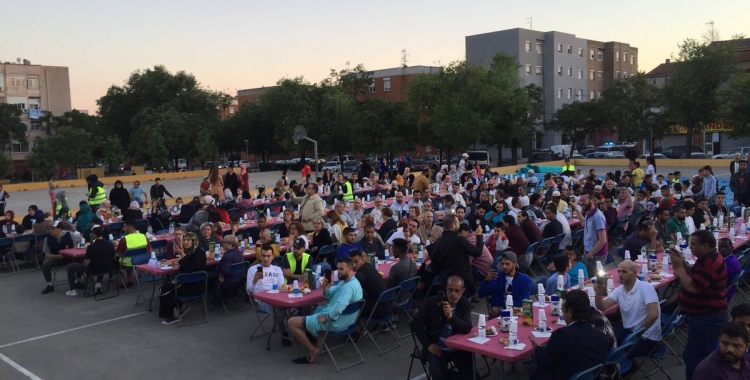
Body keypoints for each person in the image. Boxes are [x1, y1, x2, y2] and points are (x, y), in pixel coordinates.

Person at [671, 230, 729, 380]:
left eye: (694, 244)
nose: (691, 247)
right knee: (696, 355)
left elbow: (692, 286)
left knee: (696, 358)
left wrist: (678, 267)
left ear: (705, 245)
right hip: (703, 316)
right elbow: (693, 273)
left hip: (708, 317)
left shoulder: (711, 263)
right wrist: (682, 261)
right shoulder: (705, 258)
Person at [288, 258, 363, 364]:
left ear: (350, 269)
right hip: (349, 321)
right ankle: (320, 347)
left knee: (291, 322)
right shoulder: (348, 282)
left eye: (341, 269)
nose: (338, 271)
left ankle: (313, 350)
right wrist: (325, 287)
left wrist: (327, 318)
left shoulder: (348, 287)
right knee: (316, 309)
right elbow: (328, 294)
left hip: (337, 323)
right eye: (337, 269)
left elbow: (339, 307)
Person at [529, 289, 610, 380]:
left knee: (534, 369)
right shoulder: (601, 337)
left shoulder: (562, 335)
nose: (563, 315)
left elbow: (544, 362)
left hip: (564, 375)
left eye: (563, 311)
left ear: (570, 312)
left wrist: (537, 349)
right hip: (589, 376)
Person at [595, 260, 661, 359]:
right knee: (601, 341)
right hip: (629, 332)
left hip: (646, 338)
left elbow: (654, 314)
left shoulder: (645, 288)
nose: (620, 275)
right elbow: (602, 306)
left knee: (612, 353)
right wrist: (599, 294)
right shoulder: (620, 290)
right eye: (619, 271)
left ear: (635, 273)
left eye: (624, 272)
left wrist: (637, 334)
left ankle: (623, 370)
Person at [410, 276, 473, 380]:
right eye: (450, 290)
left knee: (471, 375)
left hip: (458, 348)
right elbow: (414, 324)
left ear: (463, 291)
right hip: (438, 348)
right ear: (446, 288)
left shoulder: (465, 304)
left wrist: (451, 316)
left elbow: (466, 328)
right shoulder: (432, 302)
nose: (453, 293)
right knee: (438, 375)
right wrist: (429, 344)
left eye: (457, 291)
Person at [159, 232, 207, 324]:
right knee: (165, 287)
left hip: (196, 285)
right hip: (186, 283)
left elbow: (190, 269)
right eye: (184, 240)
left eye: (188, 240)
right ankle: (180, 306)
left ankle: (174, 316)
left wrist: (182, 255)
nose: (185, 242)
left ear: (194, 241)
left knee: (166, 289)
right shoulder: (188, 252)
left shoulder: (199, 253)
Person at [427, 214, 484, 288]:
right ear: (453, 226)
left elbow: (434, 262)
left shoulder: (438, 242)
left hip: (445, 280)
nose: (459, 225)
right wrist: (479, 235)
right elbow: (478, 252)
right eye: (457, 223)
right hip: (461, 280)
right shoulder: (460, 241)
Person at [478, 251, 532, 319]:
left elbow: (523, 302)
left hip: (516, 313)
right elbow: (480, 295)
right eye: (502, 264)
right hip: (497, 316)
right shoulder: (496, 277)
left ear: (515, 264)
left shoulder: (526, 280)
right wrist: (486, 281)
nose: (504, 267)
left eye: (507, 264)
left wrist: (501, 309)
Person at [64, 227, 115, 297]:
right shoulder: (110, 244)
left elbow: (86, 263)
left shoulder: (91, 247)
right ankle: (98, 283)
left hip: (93, 270)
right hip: (109, 268)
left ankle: (72, 289)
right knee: (101, 262)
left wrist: (83, 264)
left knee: (70, 267)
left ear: (94, 234)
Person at [40, 221, 84, 294]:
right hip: (57, 258)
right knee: (45, 264)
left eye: (53, 229)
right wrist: (58, 256)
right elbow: (47, 254)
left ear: (59, 229)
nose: (50, 230)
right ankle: (49, 285)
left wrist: (76, 247)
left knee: (81, 259)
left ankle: (77, 281)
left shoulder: (69, 234)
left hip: (71, 257)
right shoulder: (47, 239)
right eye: (49, 229)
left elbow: (81, 239)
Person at [572, 190, 608, 275]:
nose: (581, 203)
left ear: (592, 200)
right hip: (588, 252)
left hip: (596, 255)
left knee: (595, 281)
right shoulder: (589, 213)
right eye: (580, 200)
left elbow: (603, 240)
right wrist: (576, 208)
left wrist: (591, 254)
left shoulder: (598, 216)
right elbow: (583, 223)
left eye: (584, 200)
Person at [350, 249, 389, 320]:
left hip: (377, 309)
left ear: (362, 259)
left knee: (351, 303)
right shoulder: (369, 266)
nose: (354, 265)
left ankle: (357, 327)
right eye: (352, 263)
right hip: (387, 304)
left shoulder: (360, 274)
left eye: (356, 262)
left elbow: (353, 292)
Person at [719, 238, 742, 302]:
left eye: (726, 247)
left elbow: (720, 281)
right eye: (720, 247)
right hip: (726, 290)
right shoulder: (730, 258)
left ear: (732, 248)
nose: (723, 249)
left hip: (724, 294)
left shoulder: (730, 263)